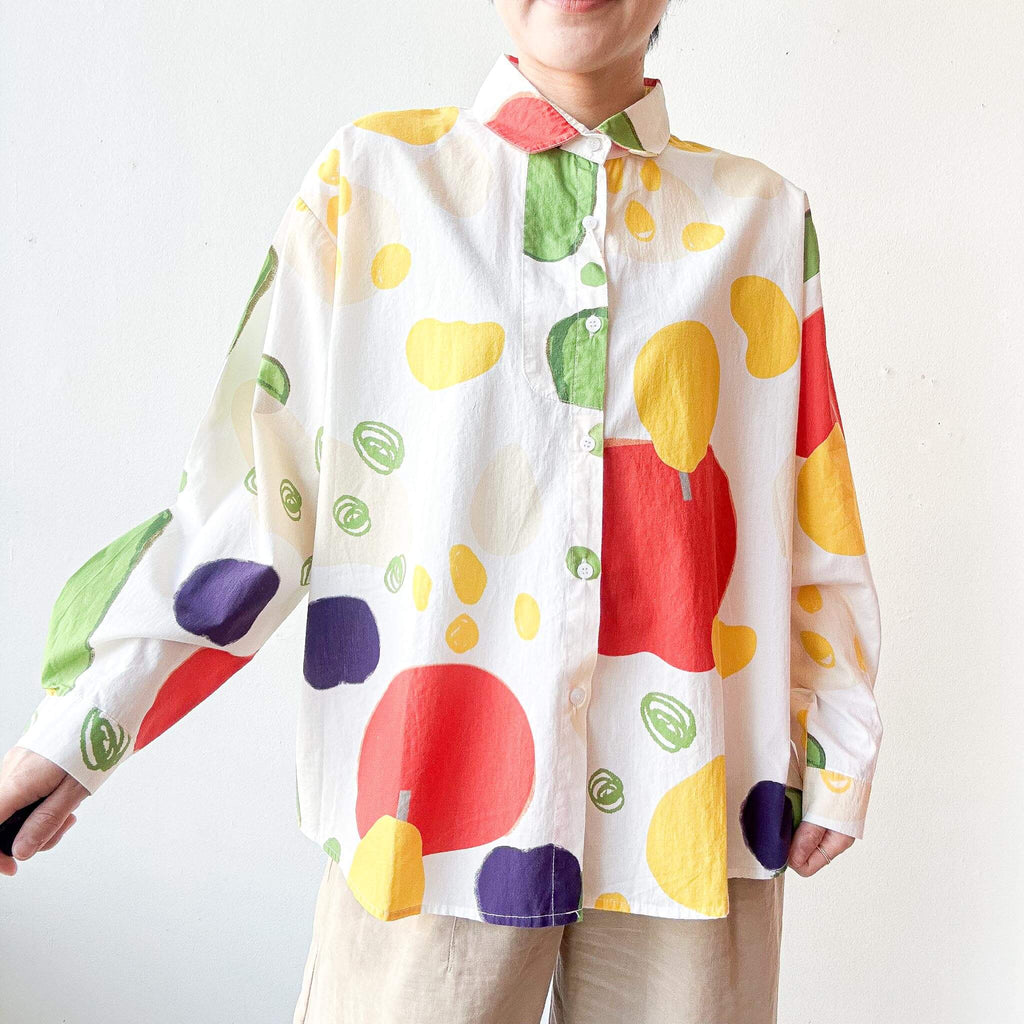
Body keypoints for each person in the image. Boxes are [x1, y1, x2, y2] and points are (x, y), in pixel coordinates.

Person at [1, 1, 884, 1021]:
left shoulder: (762, 215)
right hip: (428, 799)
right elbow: (256, 495)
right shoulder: (372, 181)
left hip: (691, 794)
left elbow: (809, 495)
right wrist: (87, 722)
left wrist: (839, 730)